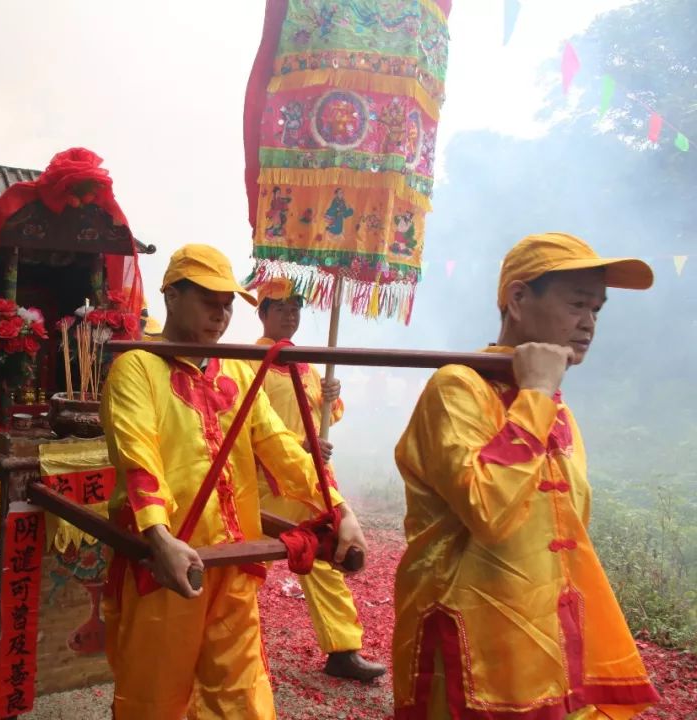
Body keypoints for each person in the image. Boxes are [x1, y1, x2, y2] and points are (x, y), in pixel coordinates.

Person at [392, 233, 660, 719]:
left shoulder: (556, 408)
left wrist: (539, 395)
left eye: (597, 309)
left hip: (552, 641)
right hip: (471, 646)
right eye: (577, 303)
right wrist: (536, 393)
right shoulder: (456, 388)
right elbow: (489, 511)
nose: (589, 323)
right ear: (518, 299)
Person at [99, 244, 369, 719]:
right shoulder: (135, 368)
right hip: (164, 565)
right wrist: (159, 538)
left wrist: (339, 508)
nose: (220, 315)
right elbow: (137, 454)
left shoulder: (239, 373)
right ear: (171, 296)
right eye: (209, 301)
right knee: (153, 698)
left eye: (227, 305)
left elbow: (281, 446)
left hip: (233, 560)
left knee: (243, 698)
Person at [250, 277, 385, 682]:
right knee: (241, 565)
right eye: (281, 308)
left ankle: (343, 649)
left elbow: (326, 417)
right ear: (263, 314)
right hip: (262, 483)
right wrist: (301, 445)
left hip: (310, 481)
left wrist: (330, 397)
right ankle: (228, 647)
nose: (290, 315)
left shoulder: (306, 363)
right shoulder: (245, 363)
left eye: (296, 308)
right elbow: (248, 427)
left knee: (329, 555)